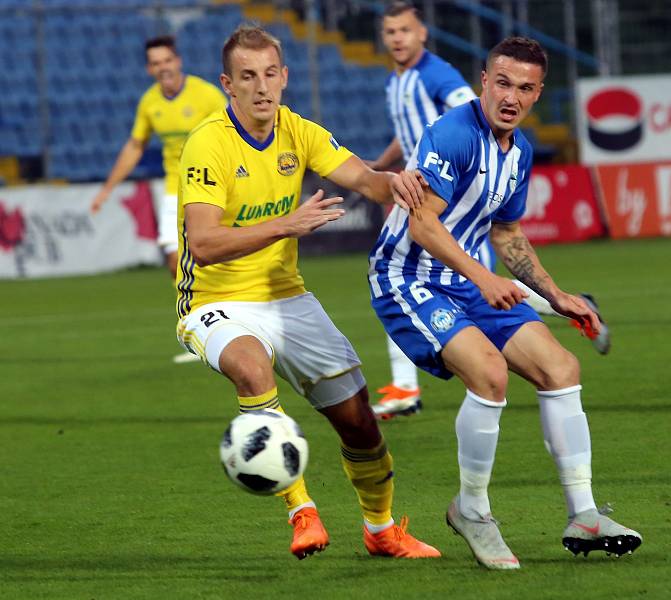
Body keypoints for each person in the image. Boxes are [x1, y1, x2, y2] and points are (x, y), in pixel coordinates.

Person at [369, 36, 641, 569]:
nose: (511, 96)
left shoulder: (519, 151)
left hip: (471, 280)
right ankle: (471, 509)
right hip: (409, 278)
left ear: (538, 94)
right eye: (503, 83)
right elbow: (422, 225)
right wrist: (482, 277)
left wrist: (555, 294)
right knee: (489, 374)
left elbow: (509, 233)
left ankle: (584, 515)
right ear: (483, 83)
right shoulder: (452, 135)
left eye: (525, 87)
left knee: (561, 367)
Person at [175, 24, 439, 562]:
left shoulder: (298, 130)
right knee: (252, 369)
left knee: (359, 421)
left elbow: (365, 179)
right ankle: (302, 510)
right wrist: (284, 226)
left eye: (270, 74)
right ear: (228, 84)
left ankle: (382, 529)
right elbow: (202, 244)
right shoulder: (208, 143)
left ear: (285, 77)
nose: (261, 87)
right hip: (213, 302)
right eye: (247, 77)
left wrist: (408, 185)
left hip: (286, 297)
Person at [368, 1, 609, 421]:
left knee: (521, 357)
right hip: (428, 208)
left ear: (422, 33)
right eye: (390, 32)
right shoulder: (396, 82)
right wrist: (385, 166)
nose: (397, 39)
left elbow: (472, 110)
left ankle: (550, 305)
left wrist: (448, 151)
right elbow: (412, 137)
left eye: (405, 30)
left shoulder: (438, 76)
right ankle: (406, 385)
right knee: (481, 356)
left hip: (455, 195)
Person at [90, 36, 227, 364]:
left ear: (178, 61)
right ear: (149, 68)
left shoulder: (206, 94)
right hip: (172, 190)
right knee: (174, 261)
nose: (162, 67)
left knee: (213, 257)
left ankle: (223, 326)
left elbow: (231, 132)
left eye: (167, 60)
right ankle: (202, 329)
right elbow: (135, 145)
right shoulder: (149, 102)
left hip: (208, 188)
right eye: (155, 63)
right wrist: (107, 188)